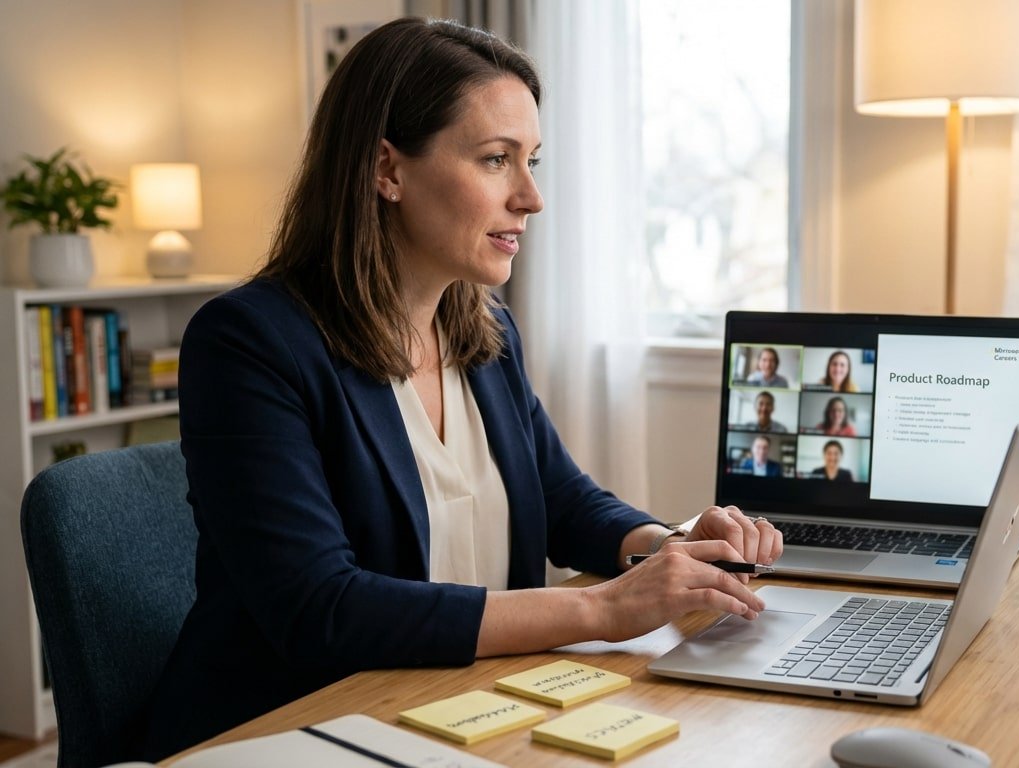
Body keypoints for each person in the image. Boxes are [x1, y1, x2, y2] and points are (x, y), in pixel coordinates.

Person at [141, 19, 782, 760]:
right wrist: (600, 607)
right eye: (495, 160)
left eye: (532, 161)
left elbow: (565, 504)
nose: (532, 197)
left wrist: (671, 548)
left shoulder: (485, 331)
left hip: (468, 709)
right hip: (297, 727)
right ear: (387, 169)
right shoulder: (247, 342)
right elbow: (320, 610)